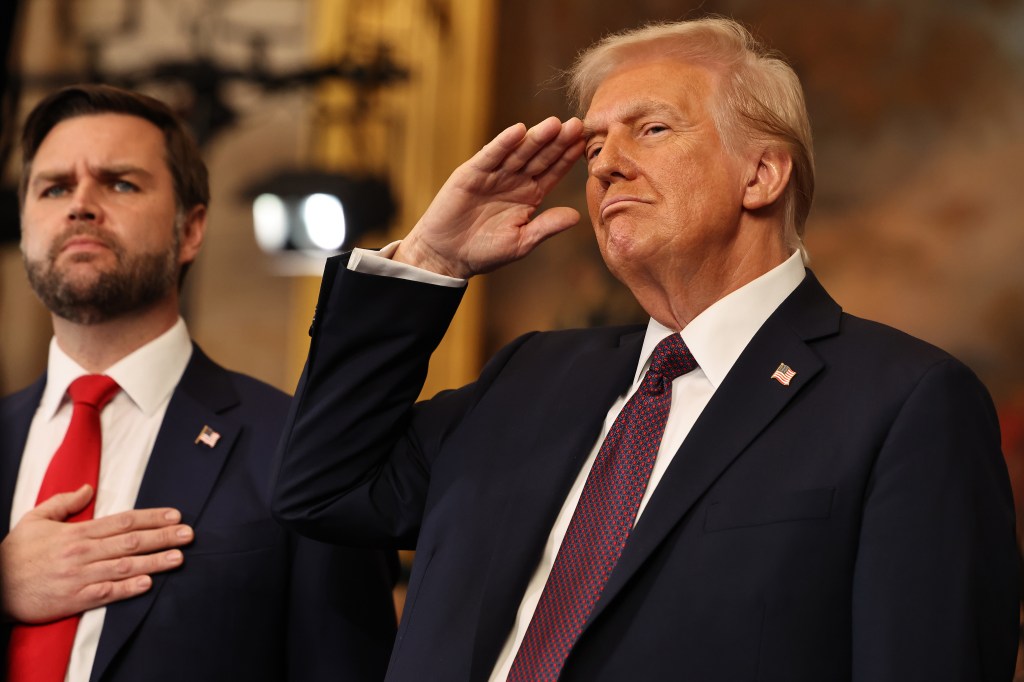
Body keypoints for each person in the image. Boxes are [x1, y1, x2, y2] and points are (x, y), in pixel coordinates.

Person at [272, 17, 1019, 682]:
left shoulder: (904, 402)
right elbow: (323, 487)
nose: (603, 166)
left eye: (650, 130)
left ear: (761, 174)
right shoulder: (530, 375)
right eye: (594, 144)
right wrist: (430, 261)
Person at [0, 84, 397, 682]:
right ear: (26, 228)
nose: (80, 205)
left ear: (191, 230)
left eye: (120, 183)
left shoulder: (297, 448)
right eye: (54, 187)